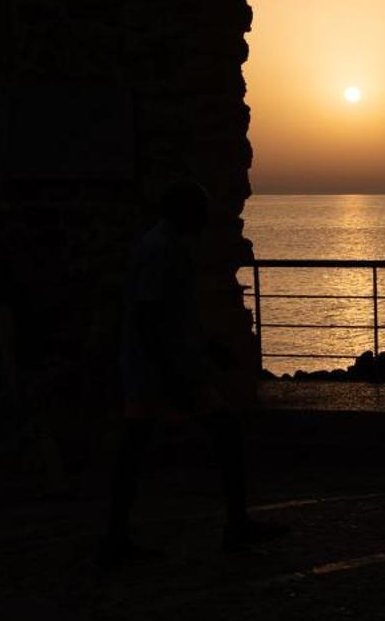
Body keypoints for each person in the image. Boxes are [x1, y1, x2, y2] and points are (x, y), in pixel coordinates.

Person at [107, 181, 280, 564]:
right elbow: (150, 318)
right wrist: (174, 376)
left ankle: (118, 535)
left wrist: (206, 345)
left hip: (164, 367)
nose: (206, 219)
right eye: (201, 210)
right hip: (160, 371)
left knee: (138, 447)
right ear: (184, 212)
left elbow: (172, 314)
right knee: (216, 434)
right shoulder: (160, 252)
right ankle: (233, 526)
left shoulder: (168, 247)